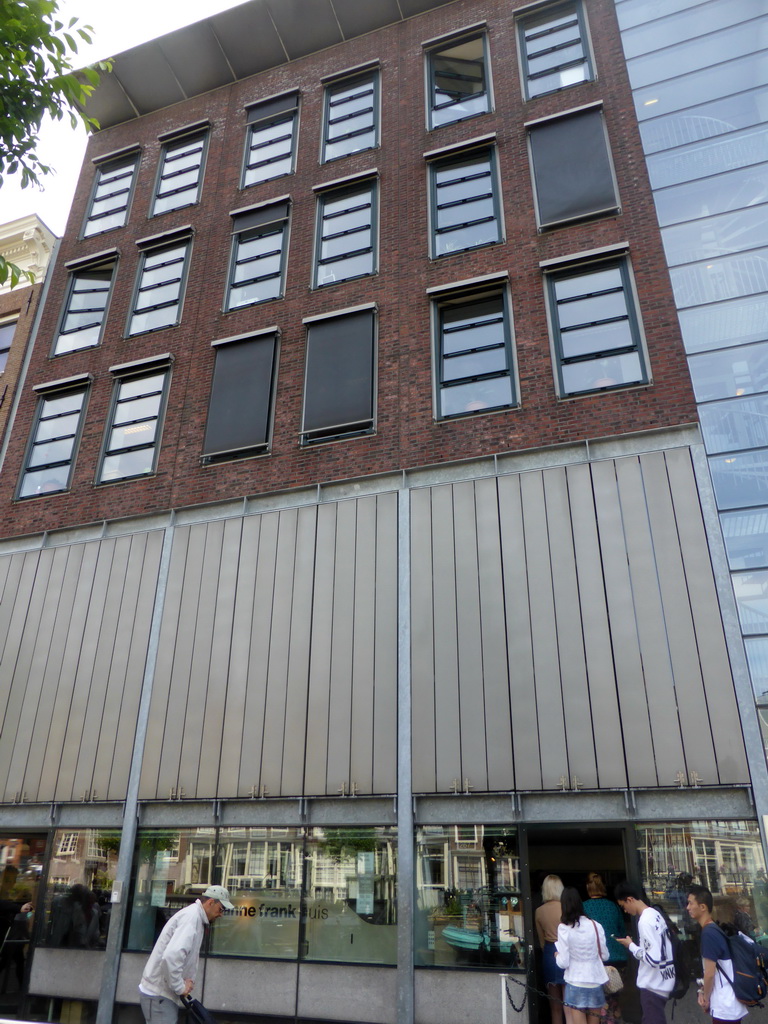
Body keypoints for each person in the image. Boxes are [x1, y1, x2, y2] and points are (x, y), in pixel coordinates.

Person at [139, 885, 234, 1024]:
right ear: (211, 902)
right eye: (221, 909)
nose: (221, 914)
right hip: (159, 995)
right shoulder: (191, 918)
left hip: (160, 995)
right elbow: (171, 956)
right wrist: (180, 987)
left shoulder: (194, 917)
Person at [686, 884, 748, 1024]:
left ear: (703, 907)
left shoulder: (708, 933)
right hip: (729, 1004)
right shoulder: (714, 929)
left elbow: (709, 974)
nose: (687, 907)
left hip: (724, 1006)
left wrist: (705, 998)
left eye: (690, 903)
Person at [614, 882, 675, 1024]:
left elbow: (653, 959)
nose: (625, 911)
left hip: (653, 985)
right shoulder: (655, 914)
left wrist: (631, 946)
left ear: (629, 900)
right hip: (665, 980)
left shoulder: (644, 921)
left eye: (623, 906)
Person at [555, 886, 609, 1024]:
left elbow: (564, 962)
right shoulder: (596, 925)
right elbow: (605, 956)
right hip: (595, 980)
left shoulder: (564, 928)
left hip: (575, 981)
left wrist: (556, 955)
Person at [583, 873, 627, 1023]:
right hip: (617, 959)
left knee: (598, 1002)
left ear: (588, 888)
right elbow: (622, 931)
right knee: (614, 998)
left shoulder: (584, 907)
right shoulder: (613, 906)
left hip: (596, 960)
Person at [536, 874, 566, 1024]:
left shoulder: (539, 911)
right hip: (566, 950)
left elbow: (541, 942)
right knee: (570, 1005)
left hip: (549, 952)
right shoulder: (566, 908)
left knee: (555, 1007)